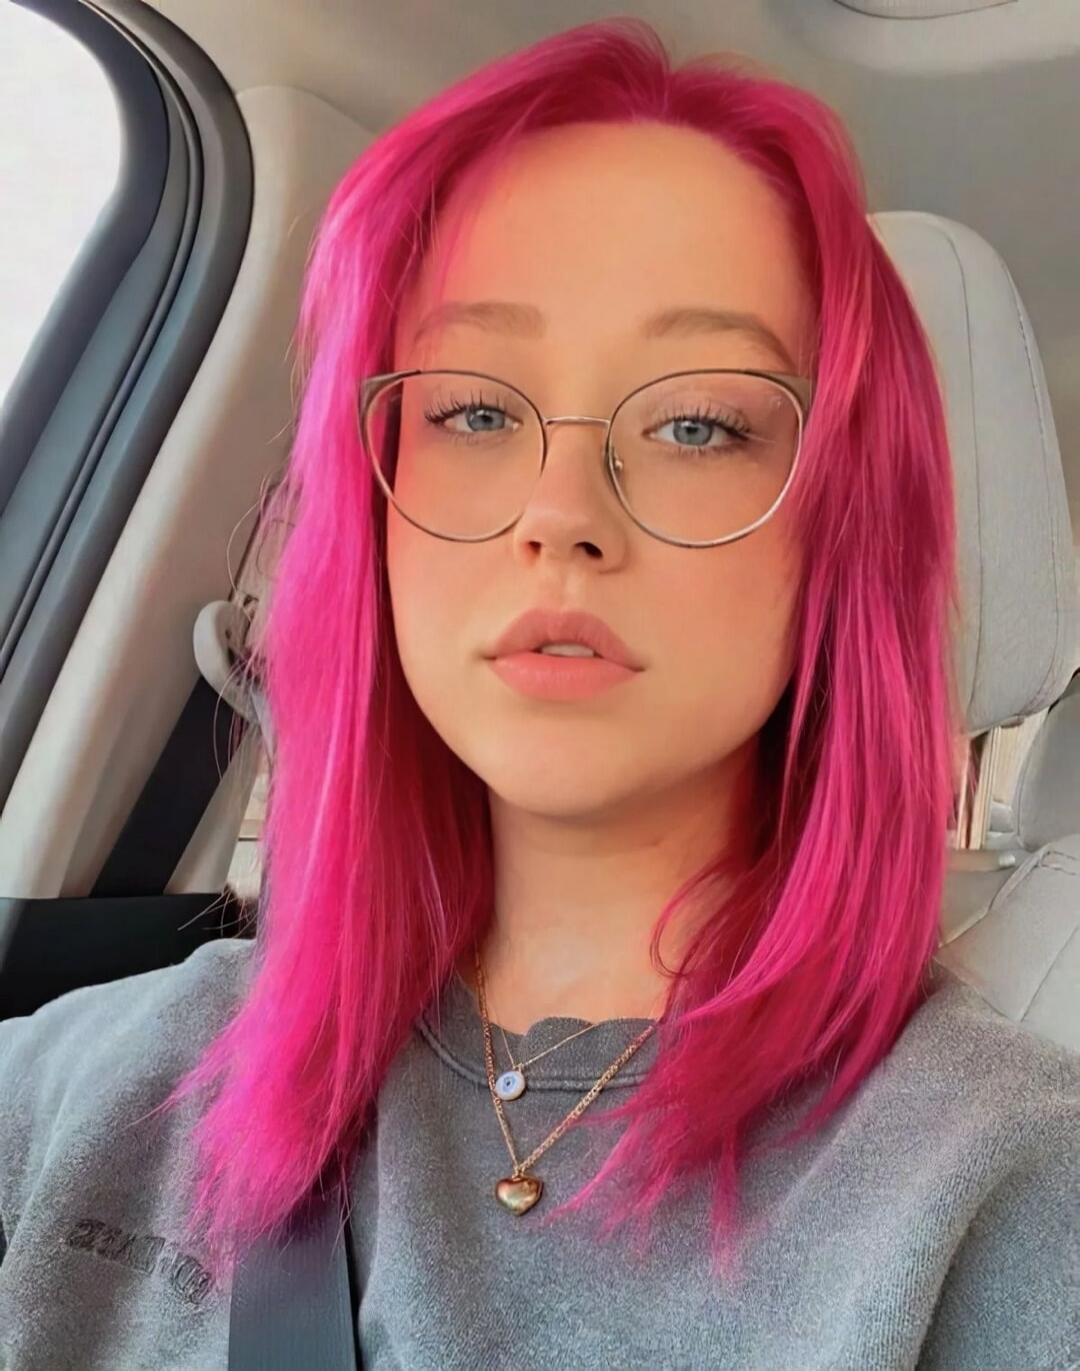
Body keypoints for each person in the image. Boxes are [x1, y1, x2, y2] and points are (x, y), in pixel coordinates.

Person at [1, 17, 1076, 1371]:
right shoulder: (107, 1080)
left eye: (697, 424)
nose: (560, 514)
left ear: (840, 537)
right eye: (473, 409)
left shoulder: (1009, 1191)